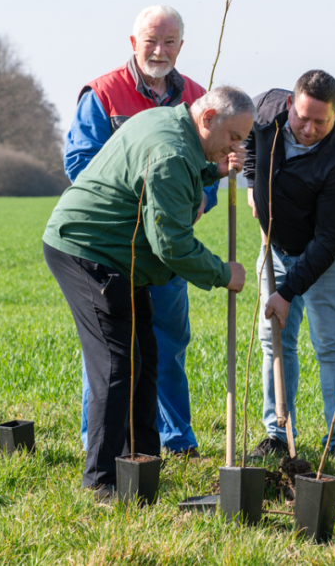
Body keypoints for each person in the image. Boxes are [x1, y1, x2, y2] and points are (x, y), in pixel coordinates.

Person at [44, 85, 254, 497]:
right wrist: (223, 273)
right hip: (87, 251)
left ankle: (141, 462)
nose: (237, 146)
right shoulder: (172, 151)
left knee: (145, 358)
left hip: (123, 257)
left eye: (242, 140)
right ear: (207, 118)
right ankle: (101, 483)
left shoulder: (172, 124)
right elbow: (172, 244)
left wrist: (215, 171)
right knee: (116, 363)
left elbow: (174, 176)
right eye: (233, 136)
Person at [64, 5, 213, 457]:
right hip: (115, 247)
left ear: (181, 47)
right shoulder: (103, 94)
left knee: (168, 340)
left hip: (167, 247)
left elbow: (213, 168)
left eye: (169, 42)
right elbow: (79, 166)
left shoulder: (197, 97)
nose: (159, 50)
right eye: (151, 41)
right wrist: (144, 204)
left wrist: (198, 201)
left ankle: (174, 438)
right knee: (109, 348)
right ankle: (101, 439)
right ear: (133, 43)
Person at [242, 70, 335, 457]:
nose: (309, 128)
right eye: (302, 117)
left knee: (330, 344)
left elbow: (328, 239)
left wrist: (287, 291)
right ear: (288, 105)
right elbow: (247, 138)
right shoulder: (264, 110)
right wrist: (251, 182)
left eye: (321, 121)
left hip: (329, 249)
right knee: (274, 340)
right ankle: (278, 435)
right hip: (277, 241)